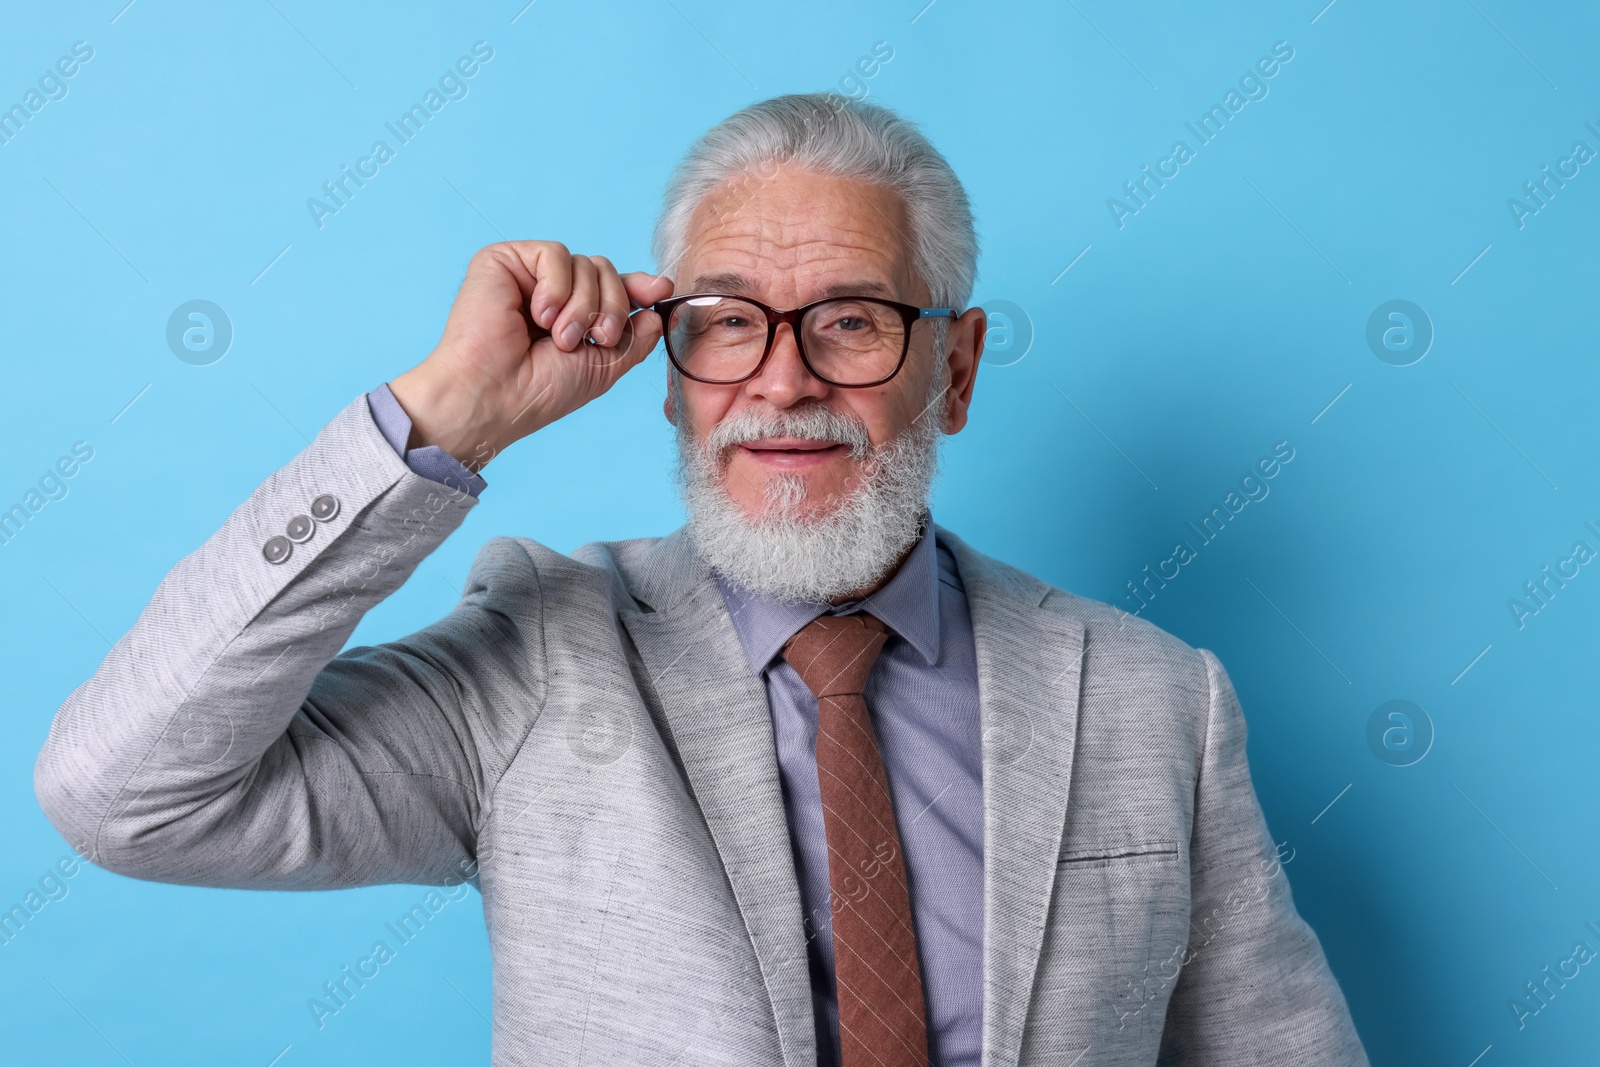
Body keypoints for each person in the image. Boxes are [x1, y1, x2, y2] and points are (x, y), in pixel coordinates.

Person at [34, 92, 1368, 1066]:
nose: (781, 385)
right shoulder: (541, 656)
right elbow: (123, 795)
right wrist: (446, 420)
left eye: (850, 321)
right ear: (669, 379)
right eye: (725, 325)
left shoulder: (1156, 700)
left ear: (953, 372)